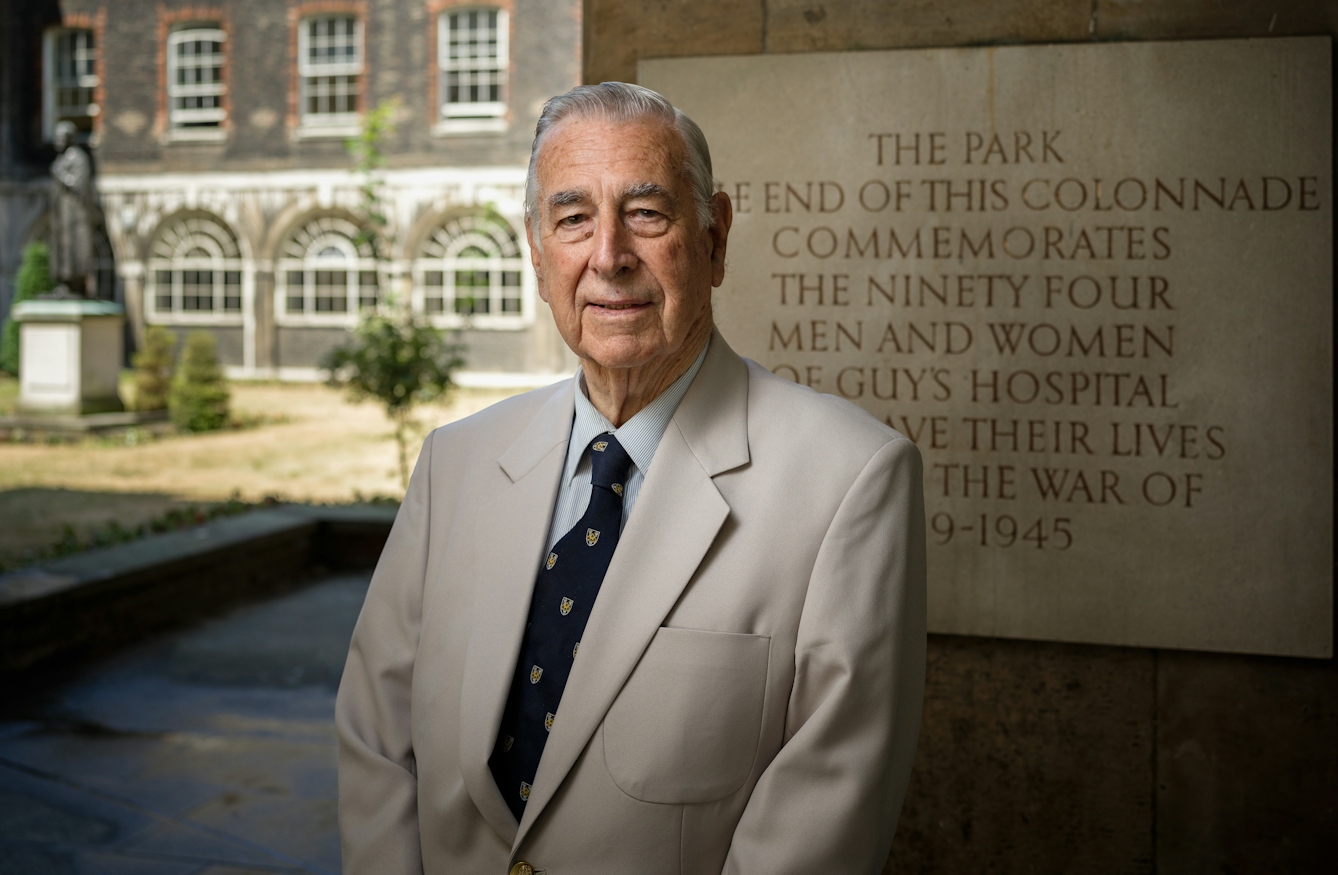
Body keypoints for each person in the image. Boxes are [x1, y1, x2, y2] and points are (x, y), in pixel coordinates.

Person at [336, 82, 926, 875]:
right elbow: (376, 742)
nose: (607, 254)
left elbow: (821, 823)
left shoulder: (851, 480)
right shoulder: (457, 463)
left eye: (646, 213)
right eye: (573, 218)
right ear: (539, 255)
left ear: (715, 241)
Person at [48, 121, 100, 298]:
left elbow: (79, 185)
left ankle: (76, 285)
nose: (57, 142)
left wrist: (60, 175)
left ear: (70, 139)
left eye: (61, 138)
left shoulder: (78, 158)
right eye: (56, 138)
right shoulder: (60, 160)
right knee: (61, 248)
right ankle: (64, 285)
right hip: (62, 214)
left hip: (75, 215)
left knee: (74, 249)